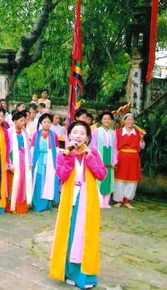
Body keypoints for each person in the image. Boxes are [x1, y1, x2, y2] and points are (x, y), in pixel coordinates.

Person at [50, 121, 107, 289]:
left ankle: (86, 275)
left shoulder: (93, 153)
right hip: (70, 201)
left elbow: (102, 174)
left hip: (88, 201)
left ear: (88, 137)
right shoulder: (63, 154)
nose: (78, 136)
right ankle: (69, 272)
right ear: (69, 135)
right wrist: (69, 157)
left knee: (85, 237)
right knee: (69, 235)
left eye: (82, 133)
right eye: (75, 132)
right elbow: (61, 175)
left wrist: (90, 159)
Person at [113, 113, 144, 209]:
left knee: (132, 179)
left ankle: (127, 200)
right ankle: (119, 200)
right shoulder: (117, 132)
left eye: (132, 120)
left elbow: (142, 146)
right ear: (124, 121)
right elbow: (114, 146)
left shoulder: (139, 133)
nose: (130, 121)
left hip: (133, 158)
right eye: (128, 120)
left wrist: (142, 139)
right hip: (121, 157)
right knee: (119, 178)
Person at [31, 113, 60, 212]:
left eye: (48, 122)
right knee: (38, 181)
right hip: (39, 160)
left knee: (48, 181)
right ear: (41, 123)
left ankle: (47, 203)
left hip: (49, 161)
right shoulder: (36, 135)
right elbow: (32, 149)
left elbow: (56, 150)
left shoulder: (54, 135)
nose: (46, 124)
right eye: (44, 122)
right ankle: (37, 203)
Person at [89, 110, 117, 209]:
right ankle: (99, 200)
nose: (107, 121)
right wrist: (95, 158)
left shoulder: (113, 133)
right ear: (101, 120)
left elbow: (114, 147)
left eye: (108, 119)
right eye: (105, 119)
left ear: (111, 121)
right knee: (99, 177)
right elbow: (92, 146)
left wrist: (114, 160)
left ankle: (106, 202)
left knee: (108, 178)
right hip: (99, 156)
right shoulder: (96, 131)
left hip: (109, 156)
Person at [7, 110, 32, 214]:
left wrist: (30, 162)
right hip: (14, 158)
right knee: (14, 181)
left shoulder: (24, 132)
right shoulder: (9, 132)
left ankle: (21, 202)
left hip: (24, 158)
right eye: (21, 121)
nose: (23, 123)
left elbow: (28, 148)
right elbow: (7, 149)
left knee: (23, 180)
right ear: (15, 121)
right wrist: (9, 164)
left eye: (24, 121)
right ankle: (12, 205)